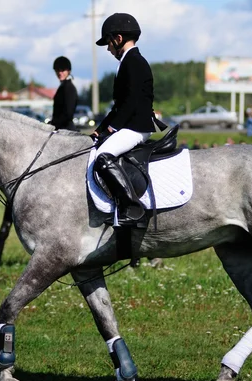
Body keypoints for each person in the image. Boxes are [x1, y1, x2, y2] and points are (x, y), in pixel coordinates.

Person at [91, 12, 163, 226]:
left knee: (103, 156)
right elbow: (119, 105)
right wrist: (100, 129)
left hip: (136, 127)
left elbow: (131, 102)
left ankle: (131, 208)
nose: (108, 48)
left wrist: (112, 128)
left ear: (118, 39)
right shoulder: (128, 61)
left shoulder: (134, 62)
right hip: (131, 123)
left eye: (108, 43)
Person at [49, 56, 78, 130]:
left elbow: (68, 114)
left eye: (62, 70)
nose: (60, 73)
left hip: (66, 129)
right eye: (57, 70)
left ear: (68, 71)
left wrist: (54, 123)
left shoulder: (69, 88)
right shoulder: (62, 87)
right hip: (60, 127)